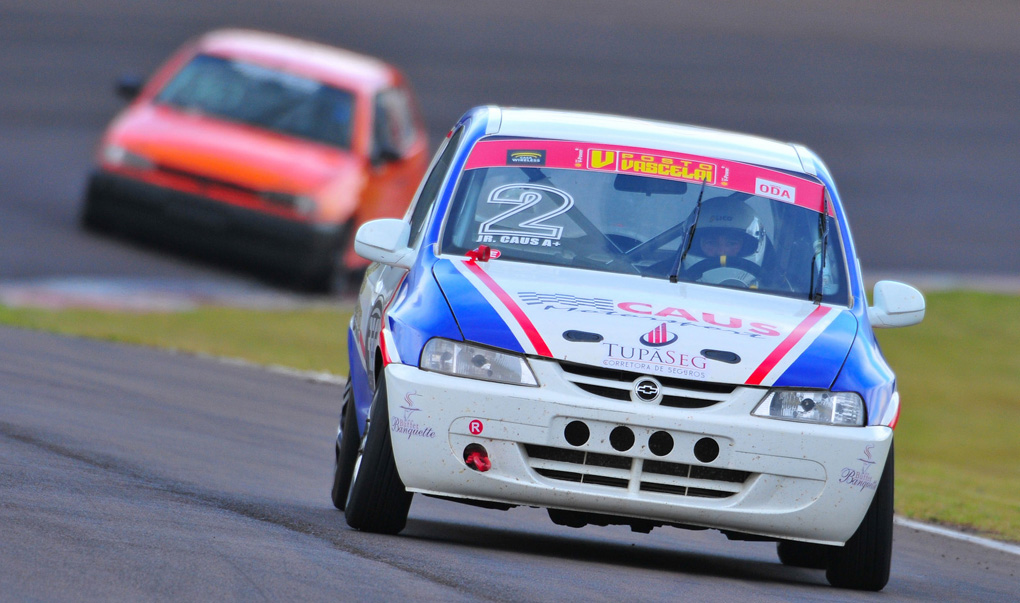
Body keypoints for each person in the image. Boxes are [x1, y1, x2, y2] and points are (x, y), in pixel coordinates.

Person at [681, 194, 767, 288]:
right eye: (711, 243)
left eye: (731, 244)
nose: (721, 252)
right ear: (695, 245)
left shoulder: (777, 291)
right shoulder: (666, 282)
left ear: (746, 246)